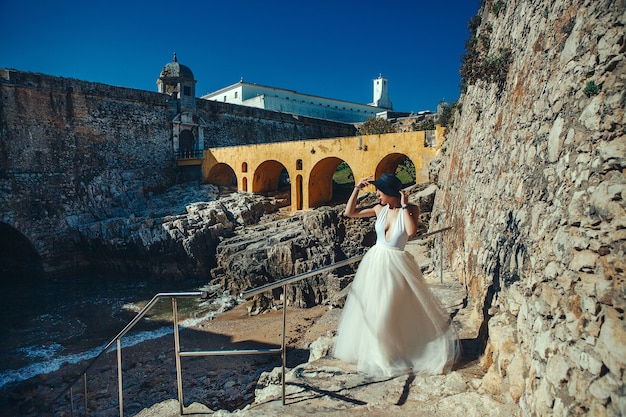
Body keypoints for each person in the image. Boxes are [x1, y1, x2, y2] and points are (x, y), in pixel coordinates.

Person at [333, 173, 459, 377]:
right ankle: (380, 354)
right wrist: (356, 188)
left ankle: (392, 353)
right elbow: (350, 213)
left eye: (380, 191)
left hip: (397, 266)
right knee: (374, 309)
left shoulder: (410, 210)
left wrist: (404, 206)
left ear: (391, 193)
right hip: (375, 262)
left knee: (388, 310)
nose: (377, 195)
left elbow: (410, 232)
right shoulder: (378, 209)